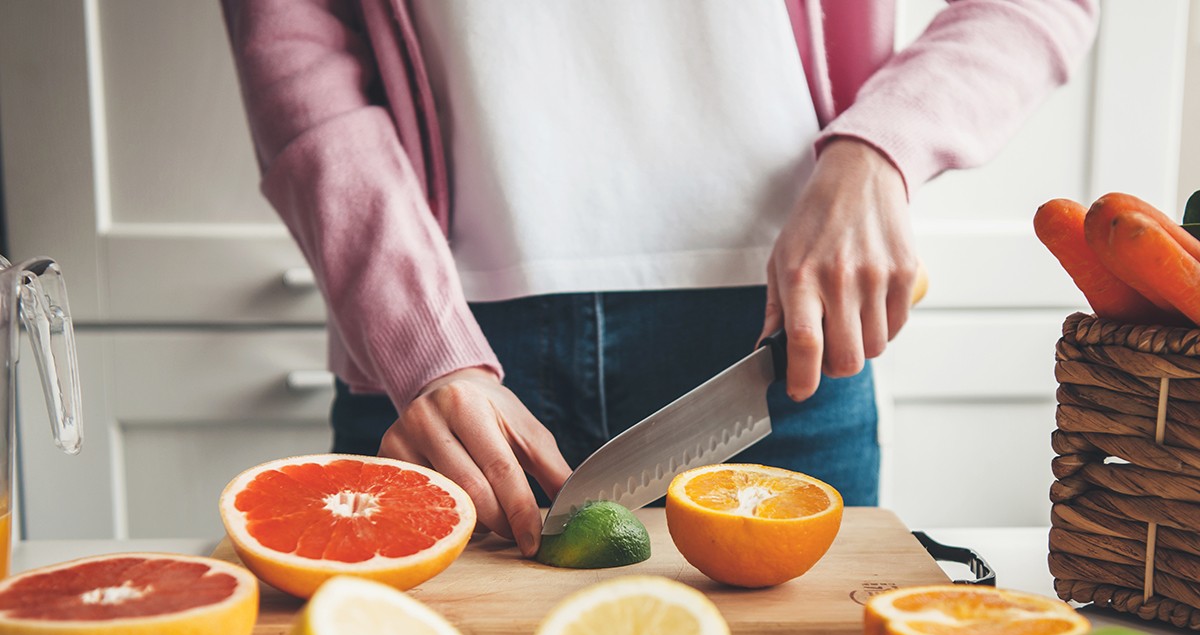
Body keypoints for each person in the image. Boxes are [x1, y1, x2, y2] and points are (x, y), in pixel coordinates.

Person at [221, 0, 1099, 557]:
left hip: (778, 338)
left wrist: (881, 151)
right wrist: (409, 332)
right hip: (441, 371)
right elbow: (288, 37)